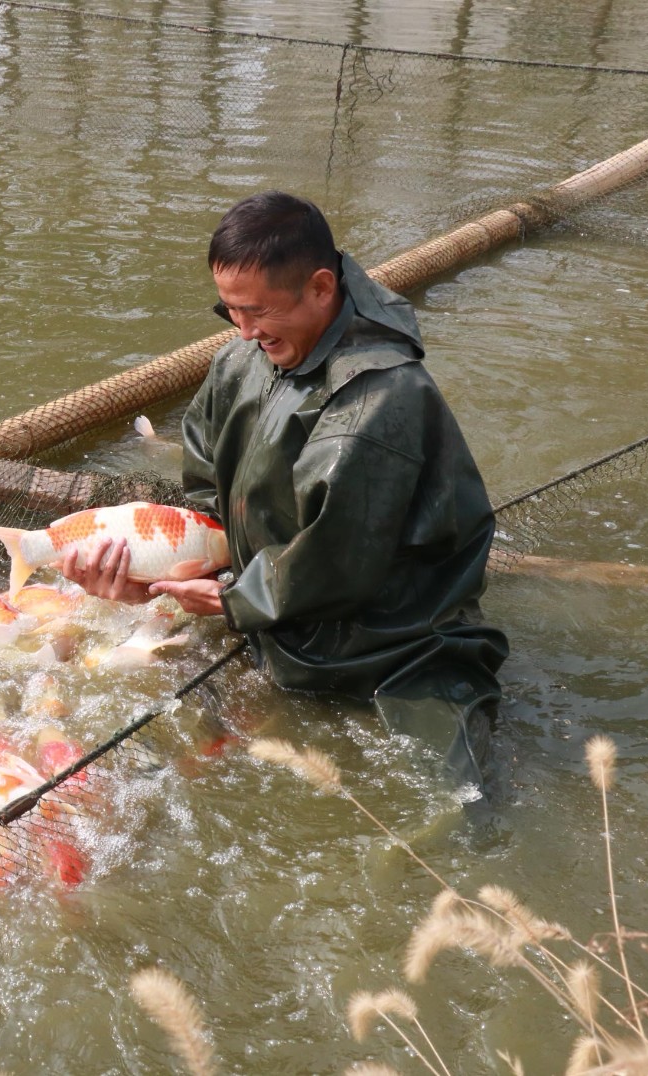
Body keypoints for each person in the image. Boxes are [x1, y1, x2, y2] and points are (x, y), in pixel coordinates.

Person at [61, 191, 508, 788]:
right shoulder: (238, 363)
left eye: (257, 313)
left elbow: (338, 563)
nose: (244, 333)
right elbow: (206, 495)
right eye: (230, 311)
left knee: (455, 801)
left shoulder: (379, 403)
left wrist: (230, 601)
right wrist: (157, 574)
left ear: (321, 288)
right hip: (270, 614)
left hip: (390, 647)